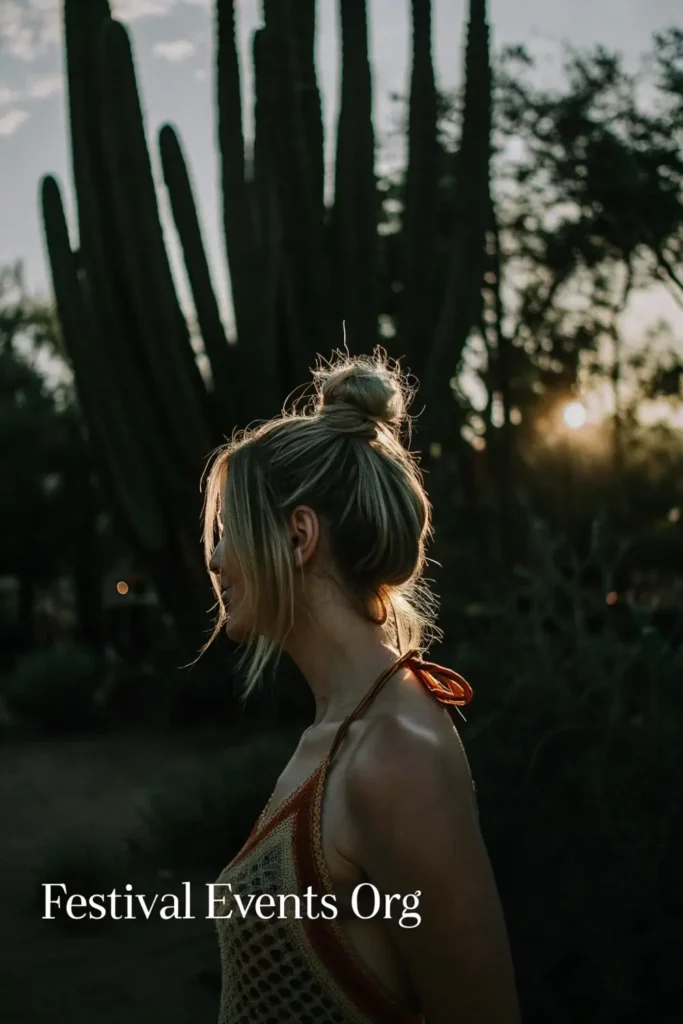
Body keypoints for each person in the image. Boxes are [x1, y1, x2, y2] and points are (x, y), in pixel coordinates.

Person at [202, 349, 521, 1024]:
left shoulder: (392, 754)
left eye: (229, 530)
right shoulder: (339, 730)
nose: (215, 557)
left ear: (297, 537)